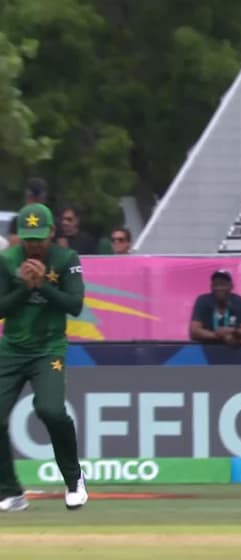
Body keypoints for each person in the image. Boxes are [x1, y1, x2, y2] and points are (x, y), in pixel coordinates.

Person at [0, 203, 88, 512]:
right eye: (28, 238)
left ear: (51, 232)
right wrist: (25, 288)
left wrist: (44, 286)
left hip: (48, 348)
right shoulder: (7, 260)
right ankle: (11, 492)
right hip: (11, 349)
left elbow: (74, 305)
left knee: (50, 410)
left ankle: (74, 479)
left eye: (39, 238)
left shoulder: (66, 260)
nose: (34, 245)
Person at [189, 270, 241, 345]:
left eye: (223, 284)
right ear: (211, 287)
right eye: (216, 284)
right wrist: (220, 336)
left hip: (235, 351)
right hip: (207, 350)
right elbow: (194, 331)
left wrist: (232, 331)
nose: (219, 288)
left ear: (231, 286)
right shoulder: (203, 301)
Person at [8, 178, 48, 247]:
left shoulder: (50, 221)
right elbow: (13, 247)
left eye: (37, 199)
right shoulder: (18, 220)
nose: (34, 202)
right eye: (31, 198)